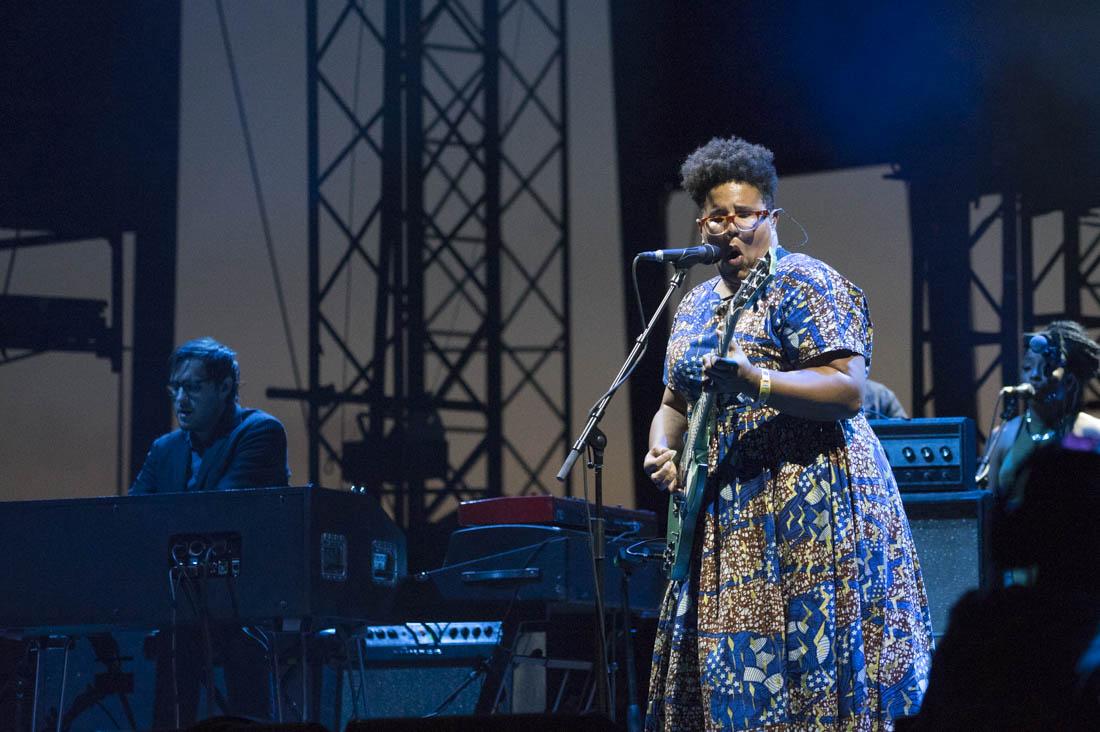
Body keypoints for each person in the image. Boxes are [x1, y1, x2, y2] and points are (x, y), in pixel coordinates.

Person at [642, 136, 932, 730]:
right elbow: (674, 399)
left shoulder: (804, 283)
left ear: (769, 215)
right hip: (727, 512)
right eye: (716, 216)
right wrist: (661, 445)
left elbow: (848, 389)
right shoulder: (693, 304)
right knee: (737, 675)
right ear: (702, 223)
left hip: (811, 504)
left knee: (810, 661)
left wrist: (760, 383)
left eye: (742, 214)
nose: (729, 228)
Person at [130, 337, 289, 726]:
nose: (181, 399)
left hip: (243, 601)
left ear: (225, 388)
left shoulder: (260, 431)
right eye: (175, 388)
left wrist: (164, 523)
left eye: (193, 387)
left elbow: (224, 509)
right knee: (166, 662)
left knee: (245, 692)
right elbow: (130, 519)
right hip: (178, 604)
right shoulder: (165, 448)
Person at [981, 321, 1100, 509]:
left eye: (1046, 368)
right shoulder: (1002, 436)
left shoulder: (1094, 433)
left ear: (1069, 381)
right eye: (1027, 368)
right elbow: (989, 511)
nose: (1034, 375)